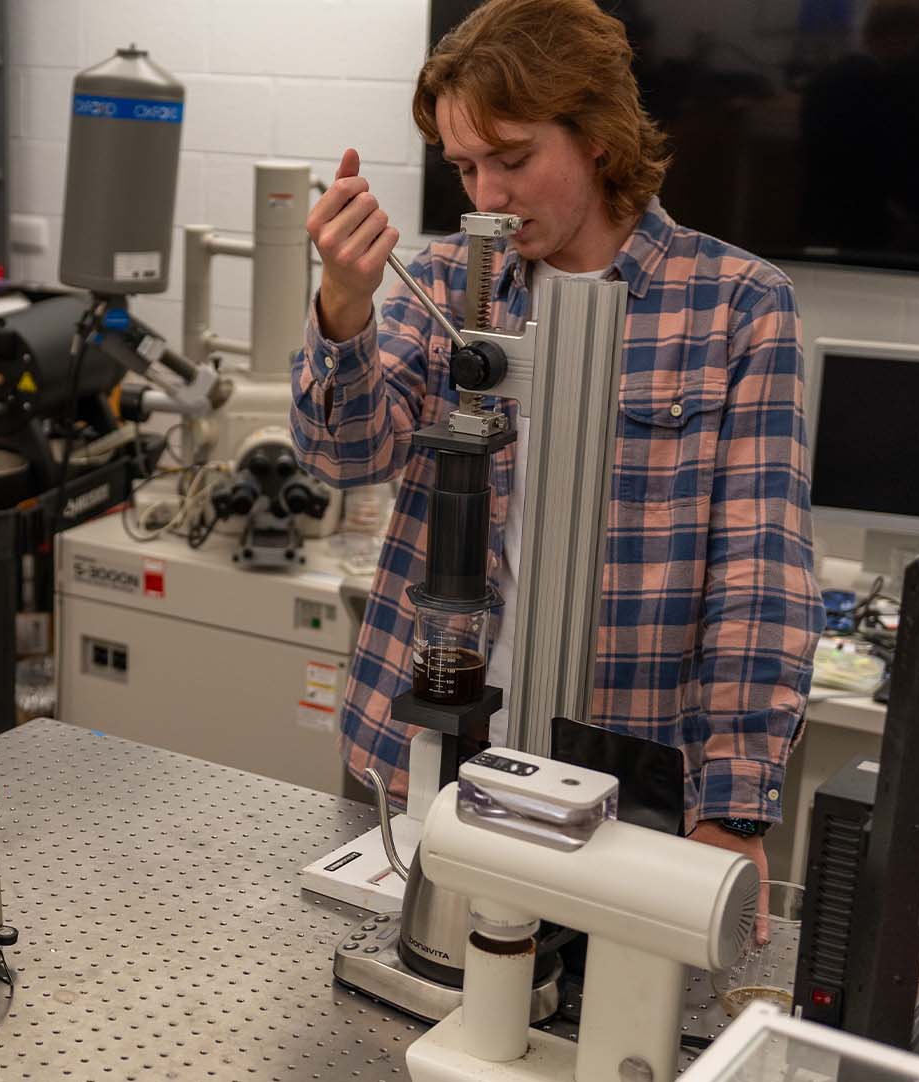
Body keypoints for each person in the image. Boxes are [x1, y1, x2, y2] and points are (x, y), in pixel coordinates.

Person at [294, 0, 823, 879]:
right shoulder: (446, 283)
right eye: (465, 167)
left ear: (599, 136)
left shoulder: (735, 304)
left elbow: (760, 571)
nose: (487, 197)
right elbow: (344, 458)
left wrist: (735, 810)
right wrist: (342, 308)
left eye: (512, 158)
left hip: (614, 781)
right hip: (418, 754)